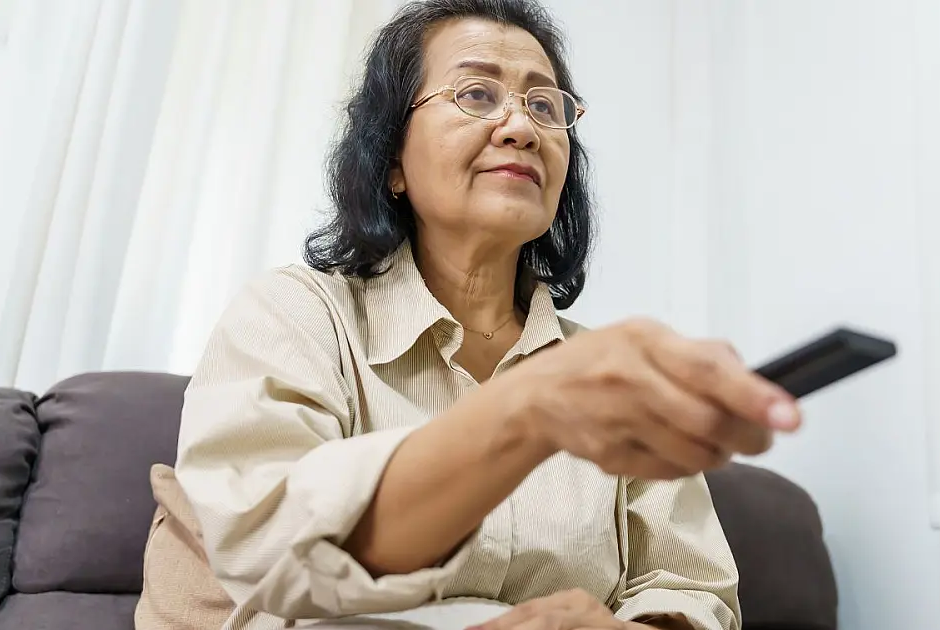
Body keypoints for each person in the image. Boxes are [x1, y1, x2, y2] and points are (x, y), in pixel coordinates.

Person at [135, 1, 803, 629]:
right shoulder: (294, 317)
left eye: (544, 105)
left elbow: (694, 594)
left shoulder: (605, 374)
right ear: (392, 160)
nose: (521, 128)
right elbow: (276, 550)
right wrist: (531, 408)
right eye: (477, 94)